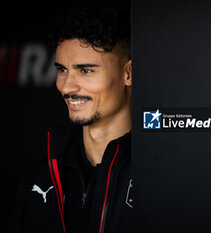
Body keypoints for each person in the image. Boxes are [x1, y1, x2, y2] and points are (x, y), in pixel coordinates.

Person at [9, 1, 136, 233]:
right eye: (62, 70)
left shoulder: (163, 177)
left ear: (128, 73)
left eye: (85, 70)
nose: (66, 87)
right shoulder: (36, 181)